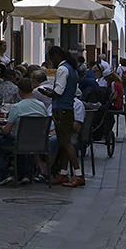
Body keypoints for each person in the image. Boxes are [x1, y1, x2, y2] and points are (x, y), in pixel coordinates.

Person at [36, 46, 84, 186]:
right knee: (64, 142)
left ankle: (78, 174)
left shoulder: (62, 69)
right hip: (68, 107)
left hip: (61, 108)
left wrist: (47, 93)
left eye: (52, 58)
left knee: (66, 143)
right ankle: (63, 172)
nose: (52, 61)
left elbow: (58, 91)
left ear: (57, 55)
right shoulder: (72, 69)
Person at [0, 77, 50, 185]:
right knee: (19, 141)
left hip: (19, 142)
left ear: (19, 90)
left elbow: (7, 131)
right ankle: (23, 174)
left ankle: (2, 174)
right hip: (37, 142)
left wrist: (0, 128)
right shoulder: (41, 106)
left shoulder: (17, 107)